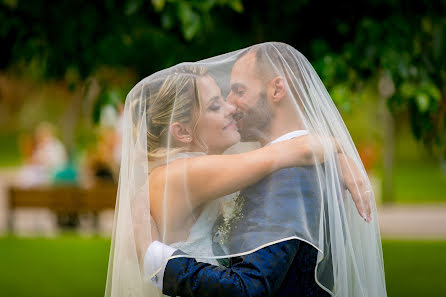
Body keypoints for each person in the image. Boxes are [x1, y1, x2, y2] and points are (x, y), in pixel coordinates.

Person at [105, 43, 386, 297]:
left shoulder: (283, 172)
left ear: (276, 89)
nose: (230, 106)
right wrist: (333, 147)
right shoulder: (181, 174)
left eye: (237, 91)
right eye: (216, 104)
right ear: (181, 132)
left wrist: (334, 152)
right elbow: (282, 152)